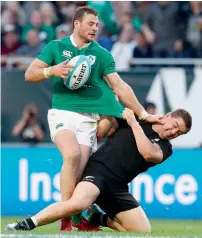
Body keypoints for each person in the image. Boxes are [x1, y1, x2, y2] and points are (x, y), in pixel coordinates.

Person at [24, 6, 161, 231]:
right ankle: (68, 218)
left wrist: (143, 113)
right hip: (63, 113)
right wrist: (52, 71)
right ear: (76, 24)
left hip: (88, 119)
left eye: (97, 25)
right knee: (72, 155)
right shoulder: (56, 47)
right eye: (90, 24)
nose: (95, 28)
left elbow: (119, 86)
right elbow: (30, 74)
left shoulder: (101, 54)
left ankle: (77, 217)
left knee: (78, 172)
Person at [5, 107, 192, 232]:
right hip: (98, 171)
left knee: (142, 231)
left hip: (118, 187)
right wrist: (111, 112)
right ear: (167, 116)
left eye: (180, 133)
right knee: (76, 204)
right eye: (175, 126)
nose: (175, 132)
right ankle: (27, 224)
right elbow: (103, 131)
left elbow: (148, 153)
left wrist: (133, 122)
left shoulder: (166, 147)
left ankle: (97, 218)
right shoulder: (139, 117)